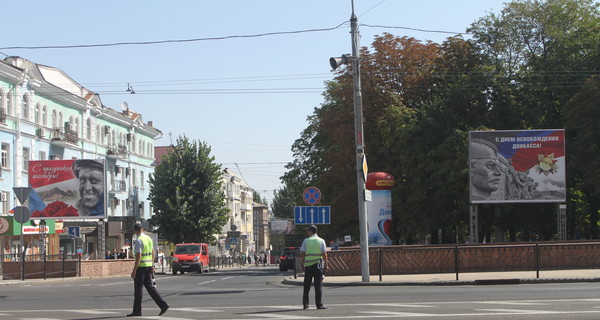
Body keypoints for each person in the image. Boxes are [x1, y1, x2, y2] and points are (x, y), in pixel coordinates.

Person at [128, 223, 169, 317]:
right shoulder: (148, 238)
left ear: (135, 231)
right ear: (142, 229)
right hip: (148, 266)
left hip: (141, 267)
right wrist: (152, 265)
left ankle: (137, 311)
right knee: (150, 287)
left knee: (138, 290)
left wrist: (134, 270)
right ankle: (163, 305)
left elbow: (138, 256)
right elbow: (153, 252)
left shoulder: (138, 240)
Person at [300, 224, 328, 310]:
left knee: (306, 286)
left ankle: (305, 304)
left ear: (312, 231)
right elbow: (324, 254)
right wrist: (326, 265)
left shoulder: (306, 241)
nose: (307, 232)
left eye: (308, 230)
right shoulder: (321, 241)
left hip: (308, 266)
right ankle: (319, 304)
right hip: (318, 266)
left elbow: (302, 253)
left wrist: (302, 263)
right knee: (318, 285)